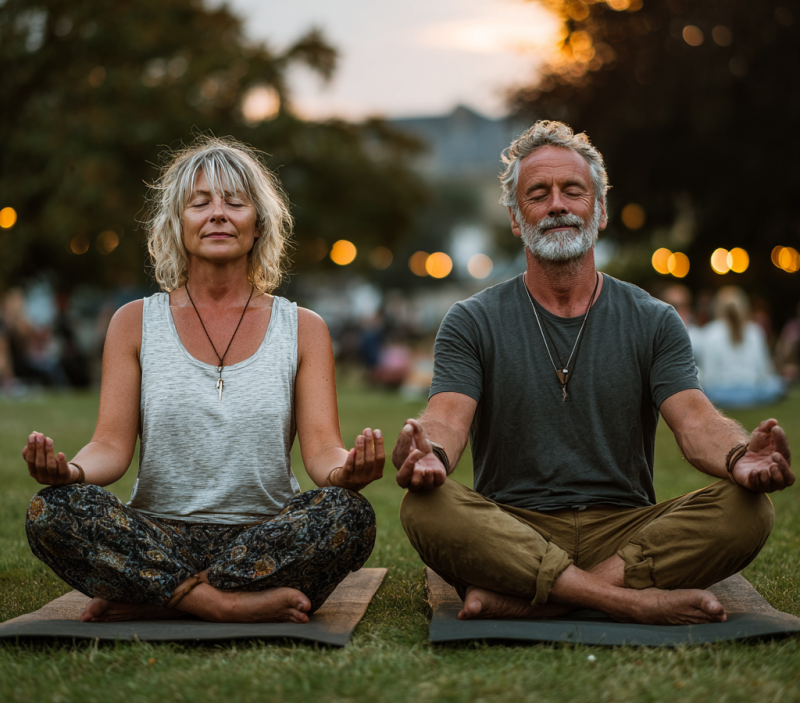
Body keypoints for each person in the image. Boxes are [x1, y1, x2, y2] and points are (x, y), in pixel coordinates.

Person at [392, 121, 794, 626]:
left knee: (749, 509)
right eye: (537, 194)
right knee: (424, 506)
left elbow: (694, 422)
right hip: (512, 528)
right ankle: (628, 601)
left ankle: (534, 601)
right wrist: (430, 453)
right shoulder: (472, 319)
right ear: (517, 220)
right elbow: (448, 417)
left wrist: (740, 457)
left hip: (627, 530)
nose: (557, 204)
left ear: (599, 211)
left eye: (573, 191)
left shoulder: (653, 318)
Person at [23, 136, 385, 624]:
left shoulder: (304, 328)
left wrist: (348, 472)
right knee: (52, 510)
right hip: (156, 535)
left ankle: (153, 594)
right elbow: (109, 445)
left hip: (263, 539)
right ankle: (220, 603)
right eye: (200, 203)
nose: (218, 214)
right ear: (178, 224)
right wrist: (72, 475)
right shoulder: (133, 322)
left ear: (258, 224)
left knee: (351, 515)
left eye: (235, 202)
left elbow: (322, 452)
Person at [697, 286, 785, 408]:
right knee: (777, 383)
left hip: (720, 394)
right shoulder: (754, 331)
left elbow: (709, 376)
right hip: (752, 392)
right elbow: (763, 371)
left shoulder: (710, 332)